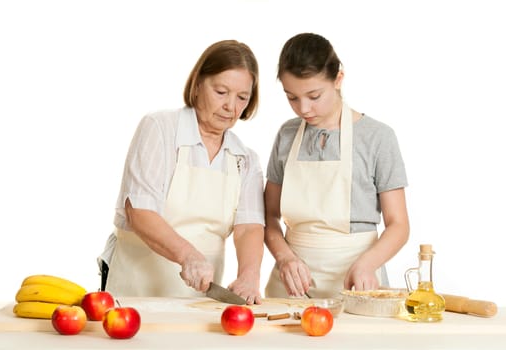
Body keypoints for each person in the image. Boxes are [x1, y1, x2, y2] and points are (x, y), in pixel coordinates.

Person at [98, 40, 265, 305]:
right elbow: (140, 212)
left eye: (242, 98)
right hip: (136, 290)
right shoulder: (160, 128)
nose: (231, 106)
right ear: (198, 84)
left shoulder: (245, 159)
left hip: (199, 299)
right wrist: (188, 255)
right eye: (221, 91)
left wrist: (249, 275)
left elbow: (249, 228)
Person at [264, 33, 410, 298]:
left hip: (356, 281)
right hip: (291, 287)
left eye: (314, 95)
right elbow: (269, 216)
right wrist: (285, 258)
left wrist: (368, 264)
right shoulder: (286, 135)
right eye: (292, 98)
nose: (303, 109)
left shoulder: (377, 137)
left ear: (338, 79)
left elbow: (398, 224)